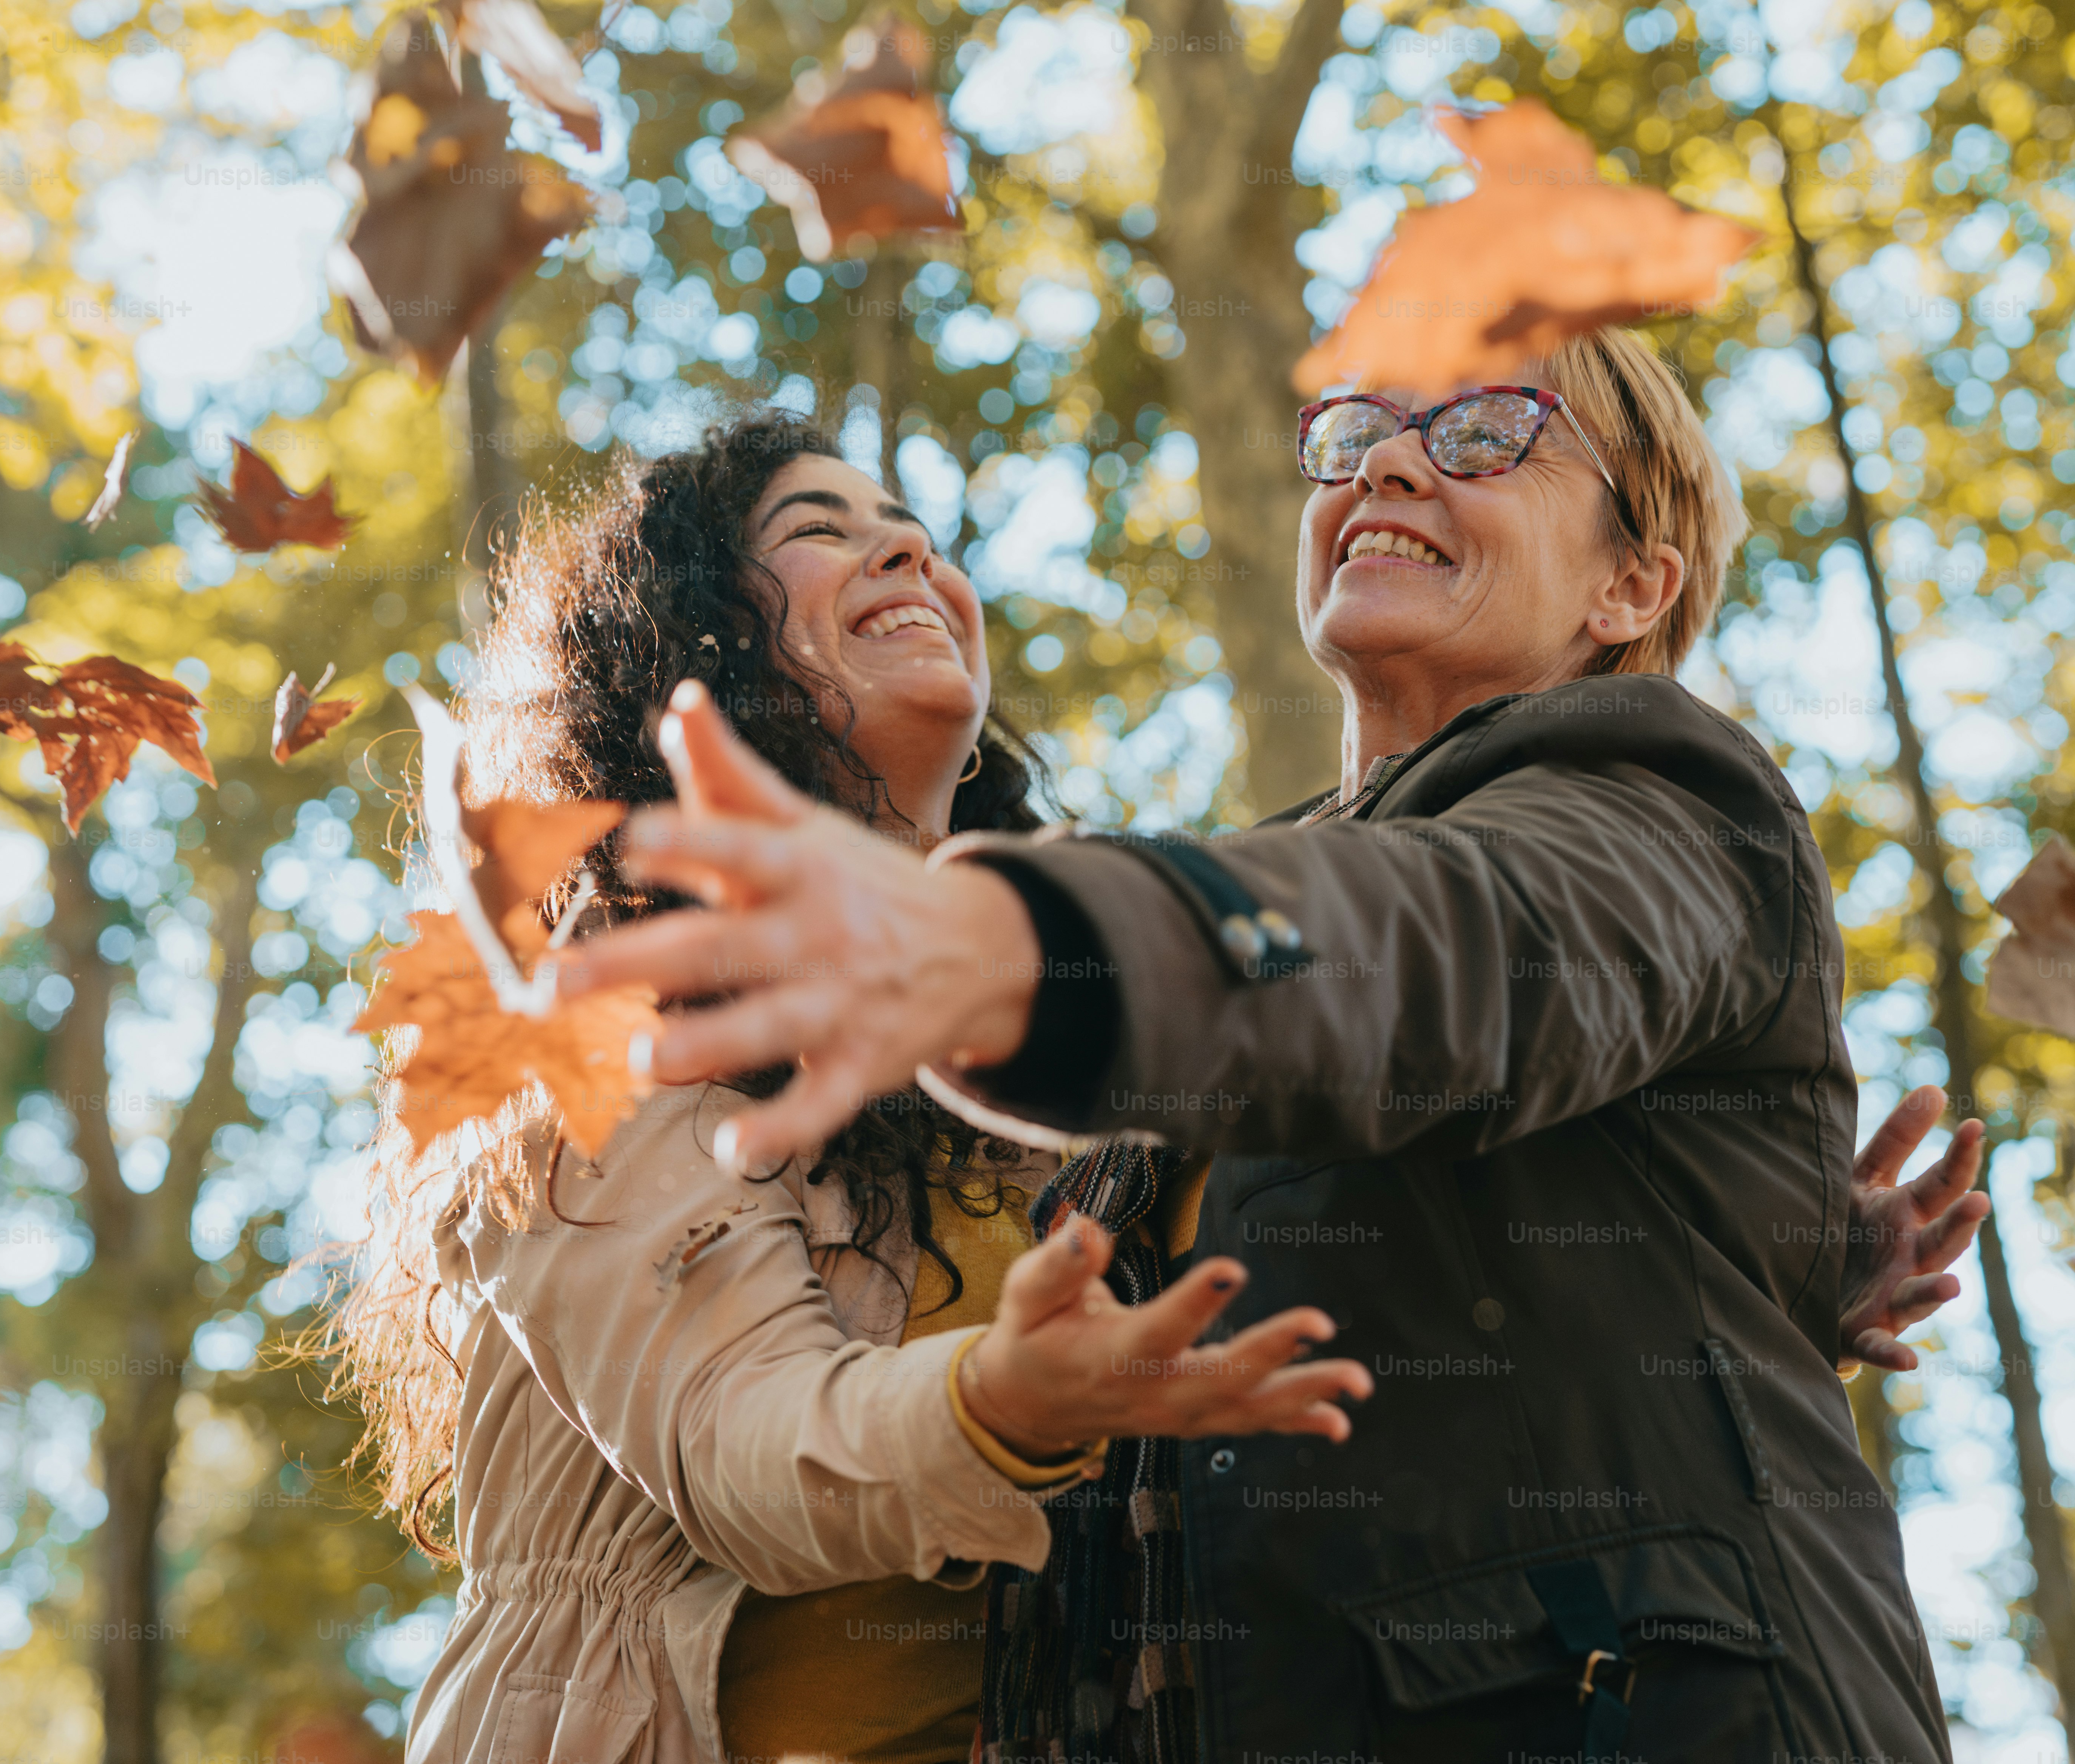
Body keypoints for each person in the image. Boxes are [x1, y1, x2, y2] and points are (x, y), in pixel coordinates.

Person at [558, 331, 1991, 1762]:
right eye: (1359, 430)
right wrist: (1750, 1262)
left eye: (1486, 432)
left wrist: (1013, 946)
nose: (1389, 462)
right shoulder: (1271, 883)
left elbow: (1448, 949)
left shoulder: (1669, 792)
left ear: (1632, 587)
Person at [321, 417, 1373, 1764]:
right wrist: (998, 1405)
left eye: (916, 532)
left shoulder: (1055, 1039)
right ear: (692, 644)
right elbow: (742, 1447)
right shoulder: (594, 1011)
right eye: (819, 528)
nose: (909, 553)